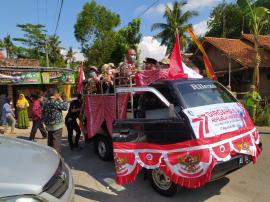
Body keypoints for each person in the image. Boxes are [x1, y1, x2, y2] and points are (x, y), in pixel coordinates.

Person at [42, 88, 69, 152]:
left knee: (50, 141)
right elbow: (66, 107)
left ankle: (50, 154)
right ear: (56, 94)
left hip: (49, 125)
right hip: (57, 125)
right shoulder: (55, 102)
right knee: (56, 142)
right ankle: (55, 157)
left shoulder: (45, 102)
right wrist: (61, 99)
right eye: (58, 94)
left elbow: (43, 113)